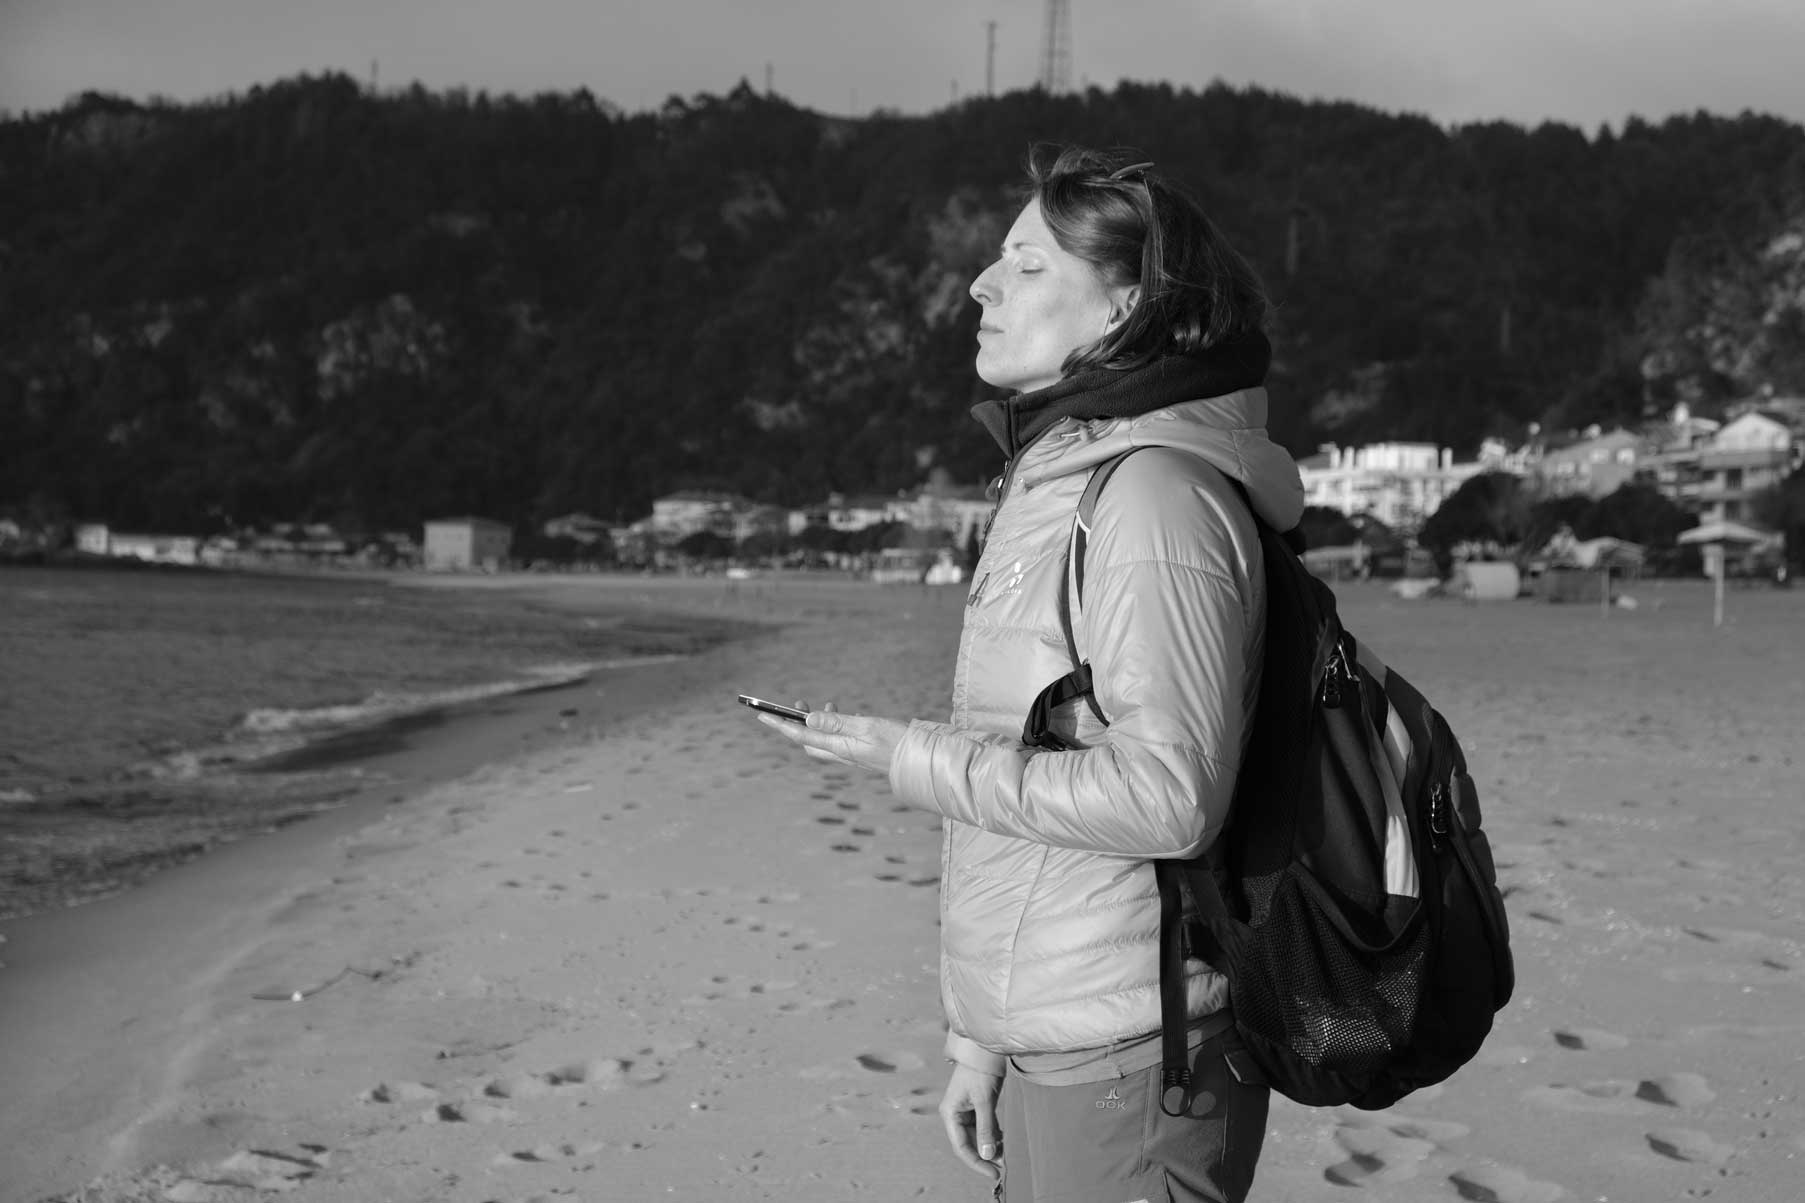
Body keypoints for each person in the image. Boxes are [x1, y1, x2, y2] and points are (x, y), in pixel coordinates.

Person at [755, 144, 1304, 1202]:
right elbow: (1050, 753)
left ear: (1123, 307)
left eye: (1026, 264)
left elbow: (1166, 797)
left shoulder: (1152, 498)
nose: (978, 284)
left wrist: (912, 757)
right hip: (1073, 1037)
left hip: (1141, 1058)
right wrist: (980, 1040)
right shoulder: (1060, 481)